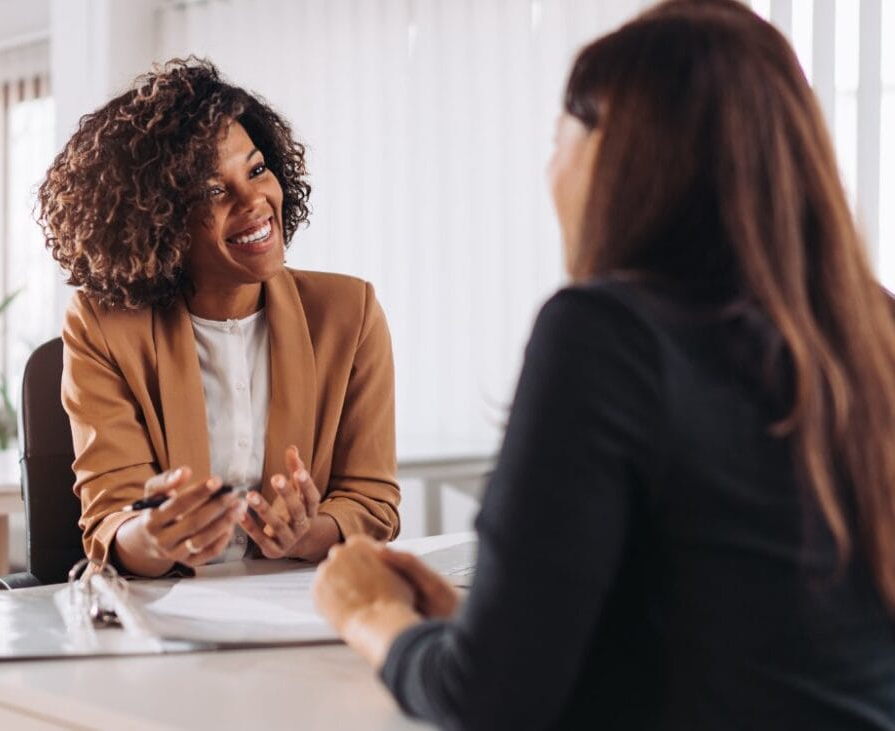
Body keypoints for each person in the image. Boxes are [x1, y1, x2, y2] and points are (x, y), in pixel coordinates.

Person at [312, 1, 895, 728]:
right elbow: (751, 645)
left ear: (618, 153)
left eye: (559, 137)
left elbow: (488, 701)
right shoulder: (872, 328)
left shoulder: (604, 334)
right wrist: (482, 623)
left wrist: (371, 613)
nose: (548, 167)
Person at [37, 59, 399, 578]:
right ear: (157, 219)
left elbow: (372, 501)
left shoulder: (349, 313)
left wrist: (304, 533)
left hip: (300, 612)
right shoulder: (103, 326)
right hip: (165, 617)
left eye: (256, 170)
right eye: (213, 191)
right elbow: (111, 524)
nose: (255, 202)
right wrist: (159, 535)